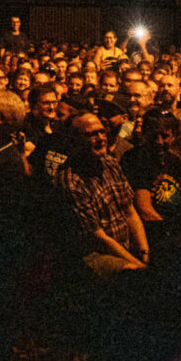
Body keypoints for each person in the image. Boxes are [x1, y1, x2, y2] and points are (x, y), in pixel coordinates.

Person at [49, 113, 149, 276]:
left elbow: (130, 211)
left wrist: (144, 253)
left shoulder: (110, 163)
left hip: (122, 247)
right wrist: (138, 266)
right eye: (92, 135)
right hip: (93, 255)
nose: (101, 138)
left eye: (102, 132)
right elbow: (98, 237)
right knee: (131, 273)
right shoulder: (70, 181)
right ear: (75, 141)